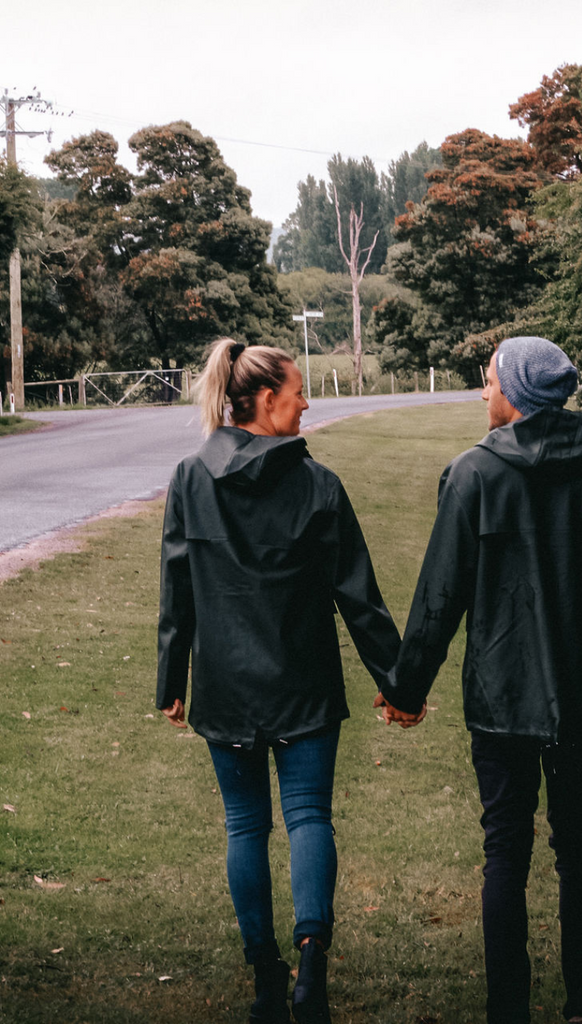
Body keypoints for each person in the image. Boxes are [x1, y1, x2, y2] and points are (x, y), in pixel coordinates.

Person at [376, 336, 582, 1024]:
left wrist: (406, 691)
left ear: (516, 395)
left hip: (501, 694)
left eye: (488, 381)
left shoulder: (474, 474)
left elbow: (439, 597)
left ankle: (511, 1008)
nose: (482, 392)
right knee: (576, 845)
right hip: (579, 692)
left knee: (505, 846)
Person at [157, 338, 400, 1024]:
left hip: (226, 685)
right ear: (265, 400)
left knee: (246, 826)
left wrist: (171, 679)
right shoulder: (318, 484)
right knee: (307, 817)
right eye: (298, 394)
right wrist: (399, 682)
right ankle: (310, 967)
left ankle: (267, 973)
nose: (305, 405)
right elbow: (359, 598)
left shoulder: (190, 478)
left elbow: (177, 590)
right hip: (304, 681)